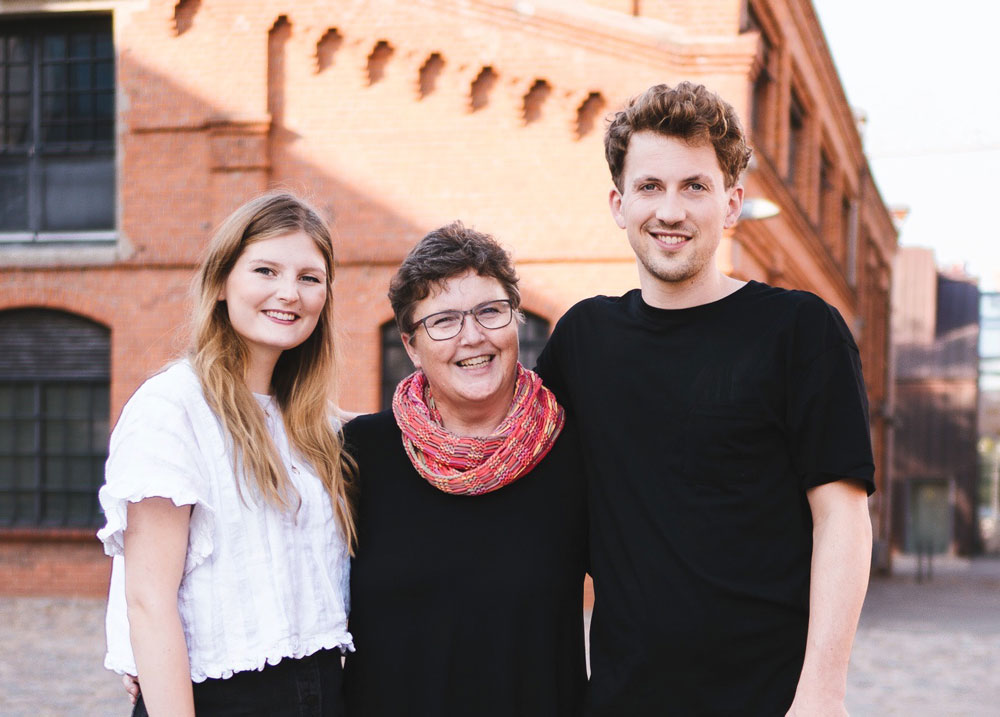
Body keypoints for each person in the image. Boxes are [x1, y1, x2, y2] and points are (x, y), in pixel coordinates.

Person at [535, 82, 875, 715]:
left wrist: (823, 689)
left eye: (695, 186)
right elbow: (518, 479)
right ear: (618, 203)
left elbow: (843, 517)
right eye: (649, 187)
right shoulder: (583, 339)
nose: (670, 210)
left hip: (769, 697)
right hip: (621, 696)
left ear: (732, 204)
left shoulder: (800, 331)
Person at [98, 192, 355, 717]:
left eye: (310, 278)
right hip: (218, 698)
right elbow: (148, 601)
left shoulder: (319, 425)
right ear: (220, 283)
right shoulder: (173, 408)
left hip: (323, 690)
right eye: (266, 270)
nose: (290, 293)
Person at [342, 222, 588, 716]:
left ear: (516, 319)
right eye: (444, 321)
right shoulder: (358, 454)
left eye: (490, 312)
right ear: (411, 346)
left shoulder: (575, 451)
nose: (472, 337)